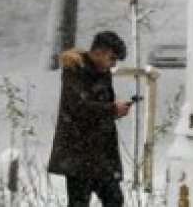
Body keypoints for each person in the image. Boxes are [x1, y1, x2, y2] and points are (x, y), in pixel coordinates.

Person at [48, 31, 132, 207]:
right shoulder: (75, 69)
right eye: (112, 58)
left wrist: (113, 110)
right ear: (99, 52)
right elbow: (78, 107)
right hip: (79, 154)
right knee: (81, 201)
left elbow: (95, 108)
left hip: (100, 154)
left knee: (114, 199)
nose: (113, 64)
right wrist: (111, 109)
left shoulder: (103, 73)